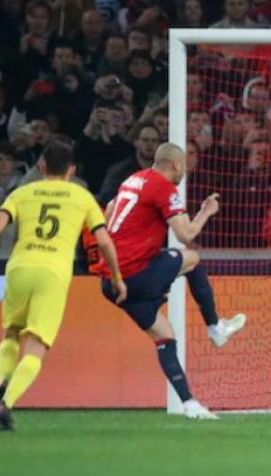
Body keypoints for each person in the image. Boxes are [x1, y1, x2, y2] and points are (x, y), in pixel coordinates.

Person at [0, 140, 126, 431]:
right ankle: (6, 402)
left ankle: (3, 380)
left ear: (42, 166)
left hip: (19, 268)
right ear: (72, 170)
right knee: (37, 344)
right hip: (52, 273)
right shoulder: (82, 196)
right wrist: (117, 277)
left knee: (11, 332)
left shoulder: (23, 192)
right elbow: (104, 240)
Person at [100, 142, 246, 420]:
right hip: (134, 274)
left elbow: (108, 210)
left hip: (110, 281)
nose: (185, 173)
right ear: (176, 165)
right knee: (192, 259)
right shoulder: (163, 186)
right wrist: (206, 211)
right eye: (185, 167)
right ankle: (215, 328)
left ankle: (190, 404)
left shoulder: (133, 179)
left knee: (165, 335)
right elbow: (185, 234)